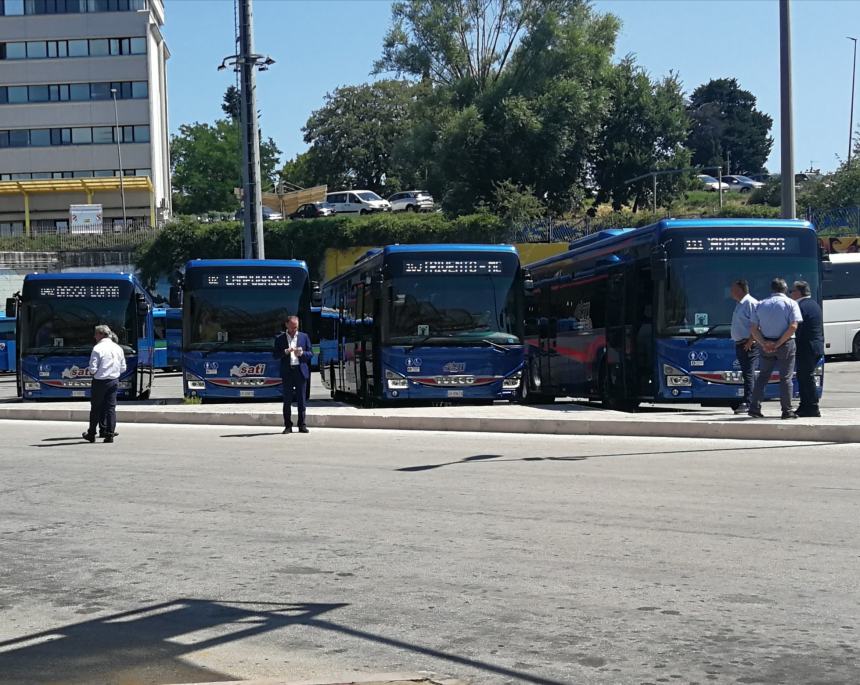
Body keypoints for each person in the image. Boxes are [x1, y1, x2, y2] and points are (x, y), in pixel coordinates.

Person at [748, 278, 803, 420]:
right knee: (785, 377)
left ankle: (754, 408)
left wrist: (764, 343)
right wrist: (778, 343)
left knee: (763, 377)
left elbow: (753, 329)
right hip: (785, 344)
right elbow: (793, 327)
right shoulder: (791, 304)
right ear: (785, 289)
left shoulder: (760, 304)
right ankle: (787, 410)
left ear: (772, 290)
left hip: (765, 344)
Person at [82, 324, 126, 444]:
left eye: (96, 334)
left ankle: (92, 433)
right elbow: (123, 368)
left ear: (101, 334)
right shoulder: (118, 348)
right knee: (111, 408)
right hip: (114, 380)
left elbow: (93, 368)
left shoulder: (97, 349)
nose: (94, 336)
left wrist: (92, 371)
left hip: (100, 381)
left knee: (96, 408)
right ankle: (109, 434)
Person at [273, 316, 312, 434]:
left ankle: (302, 425)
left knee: (301, 400)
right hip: (287, 372)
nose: (294, 330)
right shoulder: (280, 339)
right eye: (292, 327)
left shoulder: (304, 337)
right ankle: (288, 425)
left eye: (296, 327)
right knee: (287, 400)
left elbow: (311, 354)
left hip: (300, 372)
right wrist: (285, 352)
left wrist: (302, 353)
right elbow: (275, 355)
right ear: (287, 325)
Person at [790, 280, 824, 417]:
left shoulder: (801, 307)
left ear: (798, 292)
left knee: (805, 377)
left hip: (806, 347)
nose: (790, 294)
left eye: (792, 291)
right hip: (815, 346)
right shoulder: (814, 304)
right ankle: (805, 405)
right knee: (804, 376)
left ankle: (811, 406)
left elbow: (798, 329)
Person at [729, 279, 758, 414]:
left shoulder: (750, 303)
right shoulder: (739, 304)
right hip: (740, 344)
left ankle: (749, 402)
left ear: (740, 290)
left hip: (748, 344)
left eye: (733, 289)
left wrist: (751, 341)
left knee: (749, 374)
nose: (731, 292)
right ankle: (748, 400)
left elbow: (758, 323)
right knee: (746, 375)